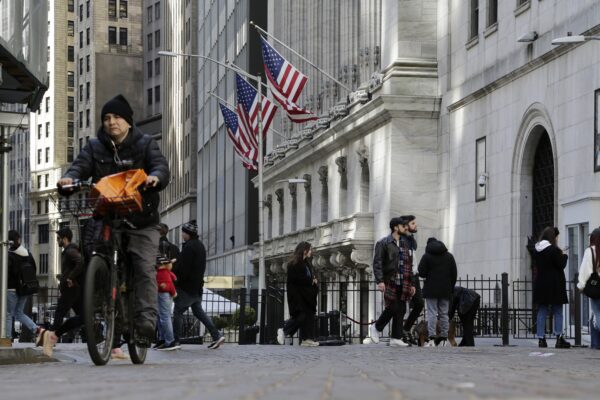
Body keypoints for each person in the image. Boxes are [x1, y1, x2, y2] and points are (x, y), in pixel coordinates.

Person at [57, 94, 170, 345]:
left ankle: (146, 323)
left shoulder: (145, 143)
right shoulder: (95, 146)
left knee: (143, 267)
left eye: (117, 117)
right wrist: (68, 179)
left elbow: (161, 166)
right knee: (97, 260)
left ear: (128, 121)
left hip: (142, 220)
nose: (111, 122)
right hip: (108, 217)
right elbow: (80, 167)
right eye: (106, 118)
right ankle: (105, 311)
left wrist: (155, 178)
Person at [172, 220, 225, 349]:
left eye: (183, 232)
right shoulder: (200, 246)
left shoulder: (189, 247)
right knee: (199, 312)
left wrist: (176, 276)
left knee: (178, 311)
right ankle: (216, 335)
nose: (182, 235)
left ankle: (175, 340)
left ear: (188, 233)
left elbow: (184, 268)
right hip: (197, 287)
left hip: (187, 287)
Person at [368, 217, 415, 347]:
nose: (405, 228)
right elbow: (377, 263)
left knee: (401, 309)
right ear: (395, 227)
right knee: (392, 307)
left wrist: (411, 284)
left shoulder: (405, 243)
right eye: (402, 226)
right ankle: (376, 327)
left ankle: (396, 337)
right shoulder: (383, 243)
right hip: (390, 281)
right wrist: (380, 281)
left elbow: (409, 265)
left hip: (404, 282)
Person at [41, 228, 85, 357]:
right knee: (83, 317)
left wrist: (70, 277)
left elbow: (80, 262)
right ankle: (56, 335)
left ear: (65, 238)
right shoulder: (70, 251)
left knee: (59, 315)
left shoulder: (70, 251)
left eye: (58, 238)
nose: (57, 240)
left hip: (70, 289)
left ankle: (51, 338)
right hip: (75, 289)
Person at [533, 227, 571, 349]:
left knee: (542, 311)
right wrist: (564, 255)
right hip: (555, 284)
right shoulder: (553, 250)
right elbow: (561, 264)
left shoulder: (536, 250)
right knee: (558, 311)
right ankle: (559, 338)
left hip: (541, 284)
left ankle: (541, 339)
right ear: (552, 238)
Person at [277, 241, 320, 347]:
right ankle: (283, 330)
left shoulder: (307, 263)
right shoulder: (293, 264)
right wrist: (311, 281)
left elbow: (308, 279)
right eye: (310, 249)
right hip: (298, 296)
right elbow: (297, 281)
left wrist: (313, 282)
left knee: (308, 317)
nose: (311, 251)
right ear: (304, 250)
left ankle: (307, 339)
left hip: (307, 296)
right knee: (301, 316)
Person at [418, 237, 457, 347]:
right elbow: (454, 274)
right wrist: (450, 287)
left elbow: (421, 273)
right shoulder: (449, 256)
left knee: (431, 313)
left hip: (431, 289)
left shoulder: (426, 256)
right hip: (445, 289)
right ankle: (444, 337)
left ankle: (431, 338)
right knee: (444, 313)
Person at [6, 230, 44, 342]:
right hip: (25, 289)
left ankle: (7, 339)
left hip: (11, 289)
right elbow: (34, 269)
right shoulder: (27, 253)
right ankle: (37, 330)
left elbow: (6, 274)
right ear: (18, 240)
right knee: (19, 313)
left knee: (8, 314)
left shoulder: (9, 255)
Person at [400, 215, 424, 345]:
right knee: (401, 306)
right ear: (406, 225)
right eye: (413, 223)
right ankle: (399, 333)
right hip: (407, 275)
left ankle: (405, 329)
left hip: (414, 275)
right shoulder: (402, 240)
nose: (416, 225)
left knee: (419, 304)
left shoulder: (410, 240)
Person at [577, 227, 600, 347]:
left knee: (597, 315)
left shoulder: (591, 251)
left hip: (597, 289)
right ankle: (595, 344)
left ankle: (596, 345)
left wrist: (581, 286)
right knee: (595, 317)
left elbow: (585, 271)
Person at [155, 256, 179, 351]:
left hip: (162, 294)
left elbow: (168, 285)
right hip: (166, 295)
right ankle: (164, 339)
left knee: (165, 317)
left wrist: (173, 292)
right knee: (163, 316)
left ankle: (170, 341)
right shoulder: (167, 272)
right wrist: (173, 293)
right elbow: (172, 282)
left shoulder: (162, 273)